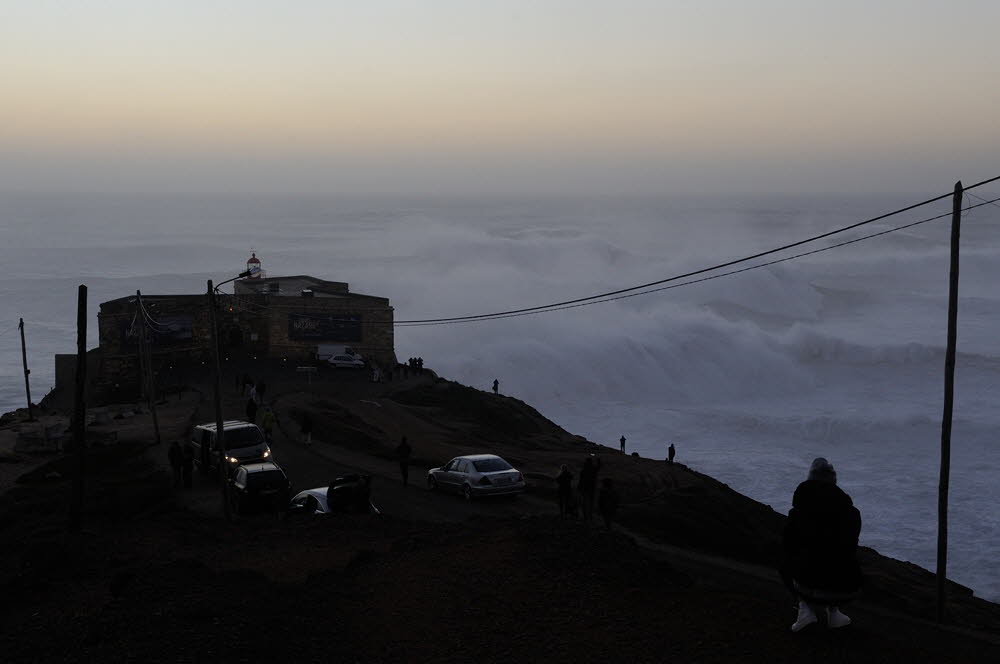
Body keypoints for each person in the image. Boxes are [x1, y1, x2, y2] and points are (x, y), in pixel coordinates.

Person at [783, 457, 862, 632]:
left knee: (789, 555)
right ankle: (834, 613)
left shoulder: (799, 512)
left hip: (808, 583)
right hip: (847, 587)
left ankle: (805, 609)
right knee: (836, 555)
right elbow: (850, 547)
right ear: (834, 481)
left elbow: (788, 546)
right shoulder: (852, 513)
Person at [578, 455, 601, 522]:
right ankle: (590, 516)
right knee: (591, 502)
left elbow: (581, 479)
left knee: (584, 502)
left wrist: (579, 487)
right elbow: (599, 467)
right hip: (592, 487)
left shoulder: (584, 470)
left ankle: (586, 516)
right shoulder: (593, 469)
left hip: (584, 487)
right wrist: (598, 459)